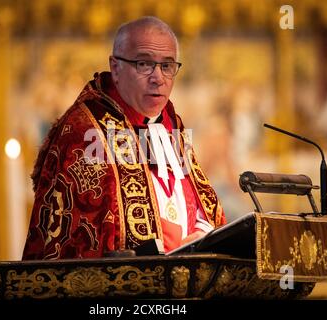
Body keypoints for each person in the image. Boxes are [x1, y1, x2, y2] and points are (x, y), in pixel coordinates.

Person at [22, 16, 226, 260]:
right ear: (115, 67)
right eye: (144, 64)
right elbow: (78, 245)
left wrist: (202, 234)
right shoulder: (84, 132)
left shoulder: (171, 124)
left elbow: (197, 205)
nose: (158, 78)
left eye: (167, 66)